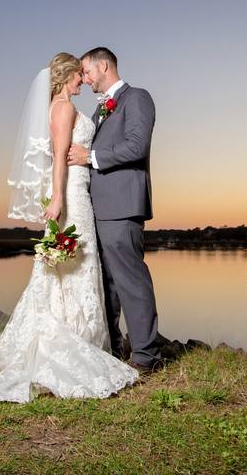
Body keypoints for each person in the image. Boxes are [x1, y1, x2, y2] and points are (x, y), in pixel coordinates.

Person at [0, 52, 139, 402]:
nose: (83, 79)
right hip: (71, 195)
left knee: (68, 271)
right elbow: (59, 158)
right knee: (77, 268)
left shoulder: (58, 106)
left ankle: (77, 337)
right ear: (67, 76)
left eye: (85, 74)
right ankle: (75, 343)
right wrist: (57, 201)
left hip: (76, 190)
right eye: (79, 75)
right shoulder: (64, 108)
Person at [67, 47, 162, 372]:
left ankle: (146, 356)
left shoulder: (137, 98)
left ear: (103, 65)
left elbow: (136, 146)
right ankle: (114, 348)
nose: (85, 77)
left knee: (130, 279)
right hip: (98, 208)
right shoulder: (100, 112)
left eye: (87, 71)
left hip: (122, 207)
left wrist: (89, 157)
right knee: (106, 282)